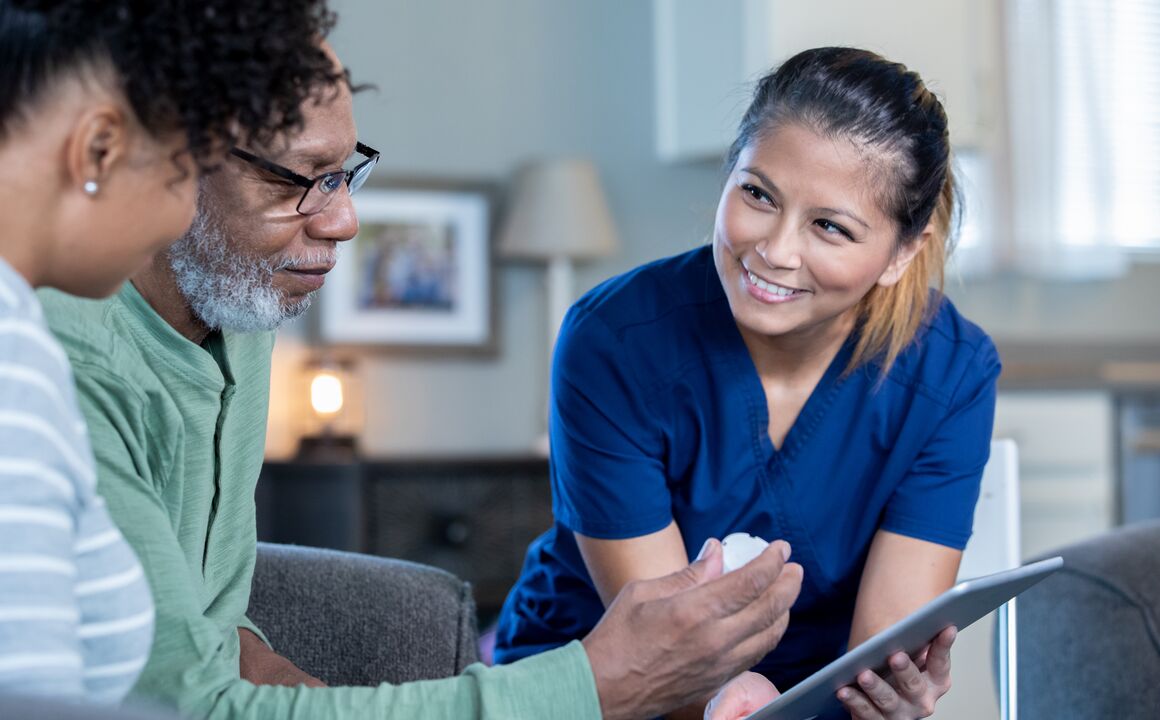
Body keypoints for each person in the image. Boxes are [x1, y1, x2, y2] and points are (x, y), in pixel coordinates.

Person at [37, 36, 805, 719]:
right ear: (164, 159)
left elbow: (218, 625)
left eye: (343, 174)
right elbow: (182, 704)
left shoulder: (239, 306)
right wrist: (596, 687)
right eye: (298, 178)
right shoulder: (63, 368)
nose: (342, 220)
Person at [494, 47, 1001, 720]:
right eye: (758, 194)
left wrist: (887, 699)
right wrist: (733, 699)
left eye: (830, 227)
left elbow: (883, 651)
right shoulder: (614, 341)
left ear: (902, 252)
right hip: (607, 693)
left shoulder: (951, 373)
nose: (774, 250)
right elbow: (663, 656)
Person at [0, 0, 349, 705]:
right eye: (178, 162)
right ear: (99, 149)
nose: (183, 212)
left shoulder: (234, 319)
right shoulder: (25, 367)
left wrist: (244, 649)